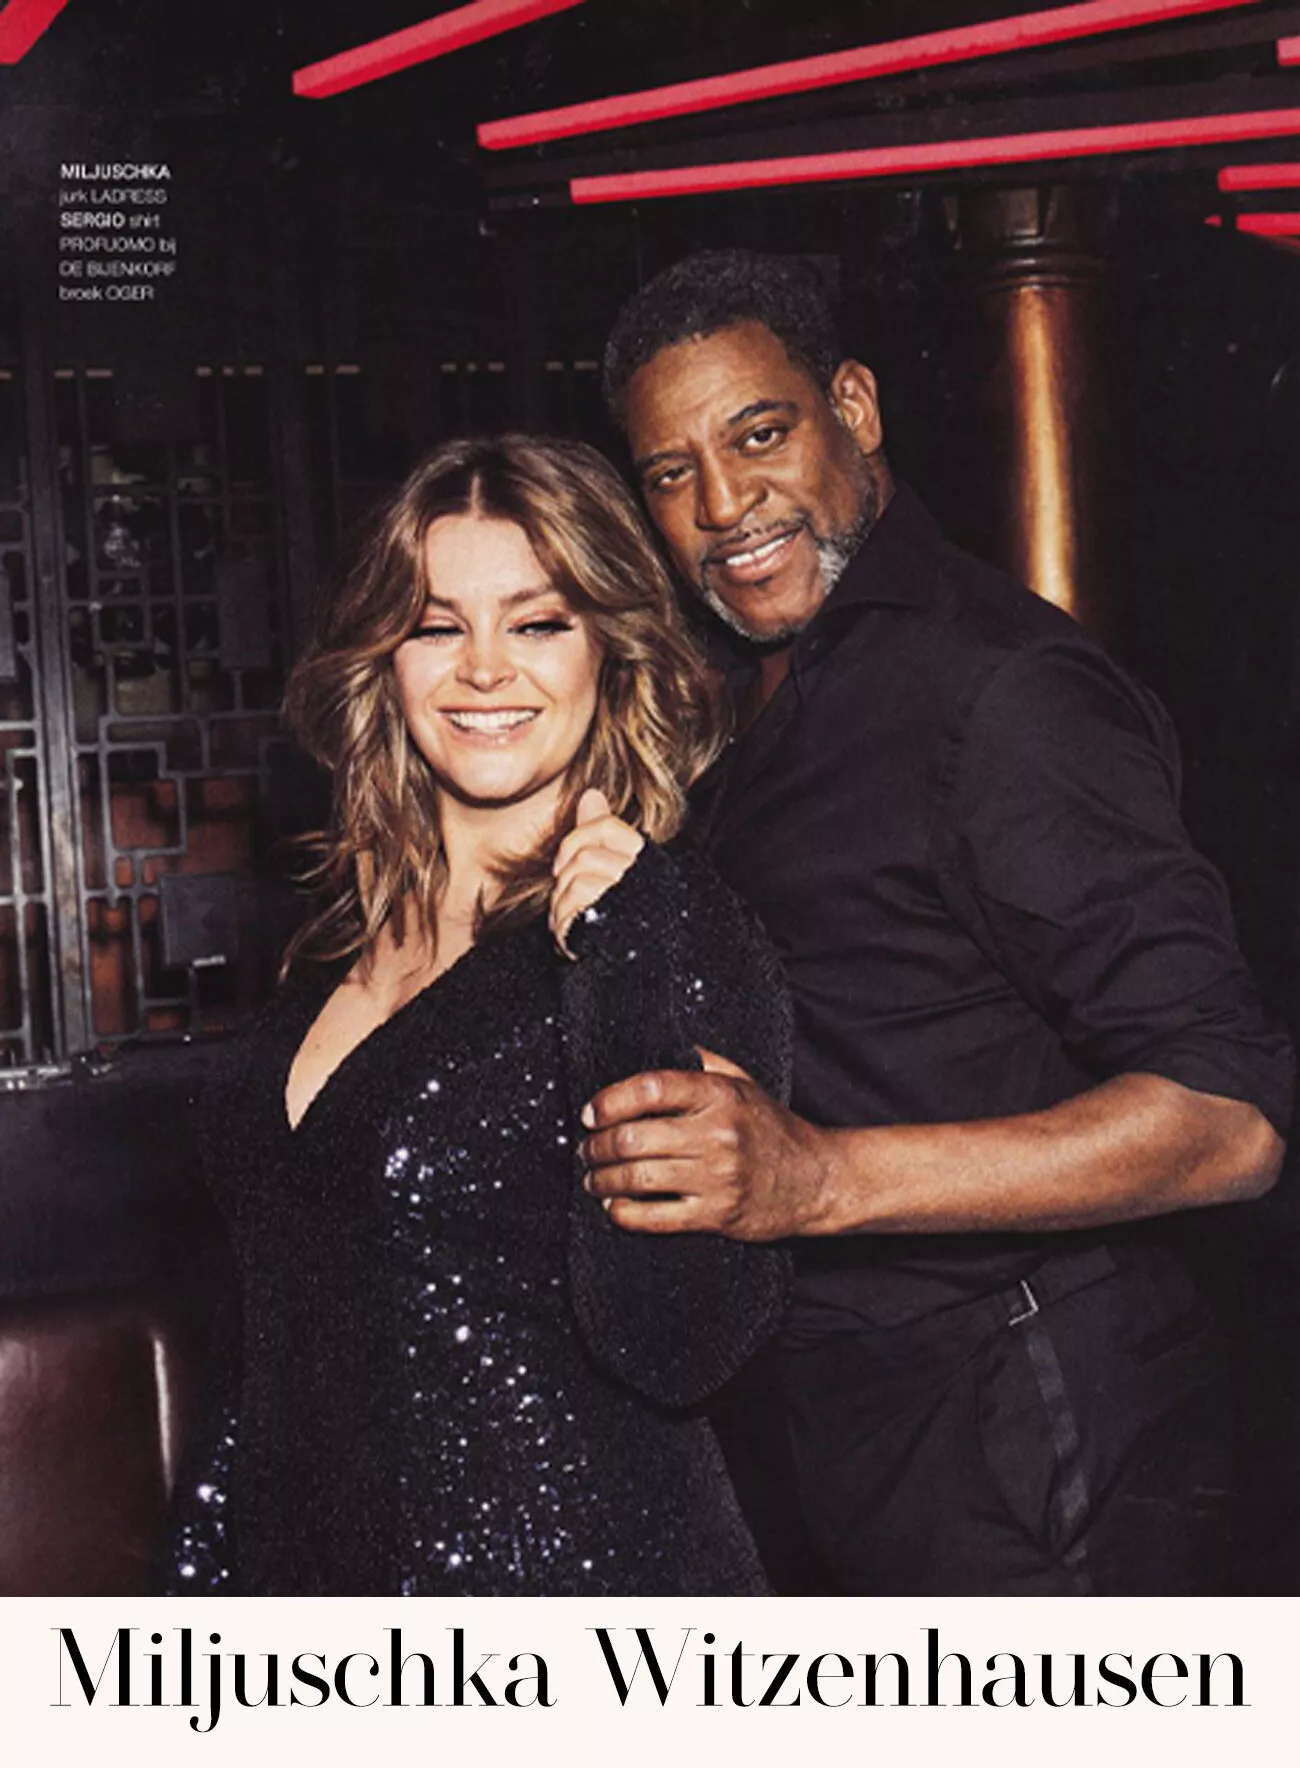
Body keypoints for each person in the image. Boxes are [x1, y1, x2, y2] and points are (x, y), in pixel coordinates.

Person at [585, 249, 1296, 1596]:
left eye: (759, 434)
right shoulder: (740, 691)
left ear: (853, 408)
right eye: (672, 472)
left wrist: (820, 1178)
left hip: (1029, 1409)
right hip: (850, 1422)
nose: (724, 506)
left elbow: (1233, 1120)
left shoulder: (993, 689)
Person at [164, 432, 791, 1596]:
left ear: (609, 651)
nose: (485, 669)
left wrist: (617, 963)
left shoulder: (671, 929)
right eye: (437, 625)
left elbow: (684, 1340)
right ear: (385, 658)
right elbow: (264, 1344)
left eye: (538, 623)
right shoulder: (332, 948)